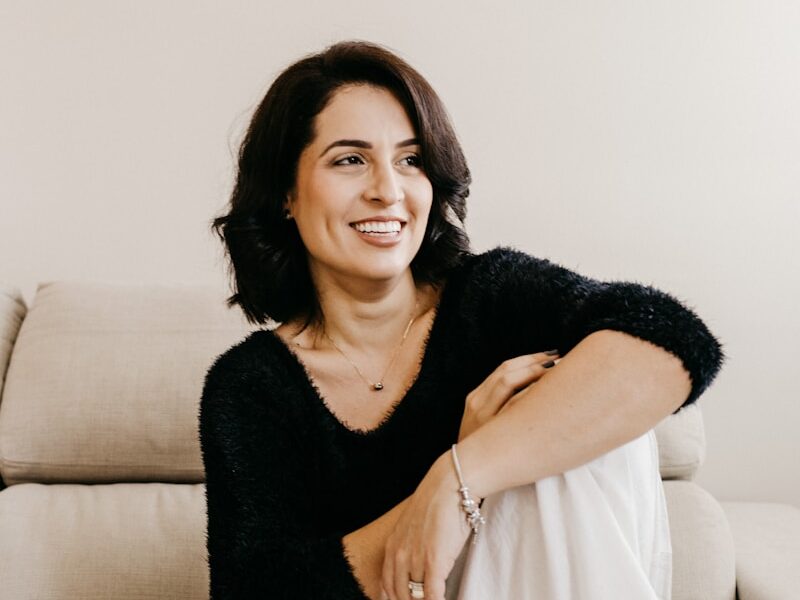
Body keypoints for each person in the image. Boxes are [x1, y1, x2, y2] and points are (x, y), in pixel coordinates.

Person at [199, 40, 723, 600]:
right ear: (286, 193)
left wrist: (463, 475)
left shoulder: (492, 295)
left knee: (569, 408)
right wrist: (435, 502)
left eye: (411, 160)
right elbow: (254, 591)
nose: (387, 190)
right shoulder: (251, 387)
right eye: (350, 159)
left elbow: (675, 341)